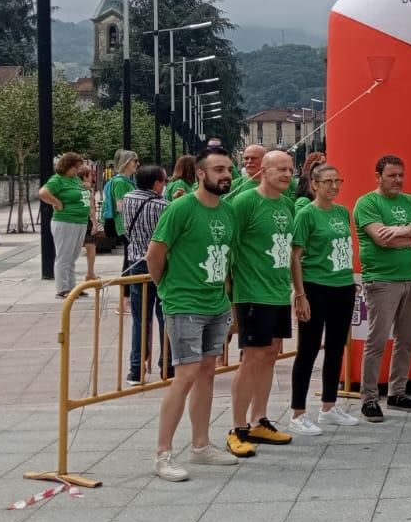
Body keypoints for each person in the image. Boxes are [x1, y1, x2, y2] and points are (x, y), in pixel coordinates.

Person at [147, 149, 242, 481]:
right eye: (218, 169)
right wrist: (168, 290)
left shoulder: (228, 211)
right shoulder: (181, 208)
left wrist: (229, 303)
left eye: (229, 168)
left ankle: (201, 446)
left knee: (207, 374)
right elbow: (155, 254)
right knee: (185, 375)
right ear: (200, 174)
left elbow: (227, 261)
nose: (226, 174)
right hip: (184, 304)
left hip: (216, 303)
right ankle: (163, 453)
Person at [223, 149, 298, 455]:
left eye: (290, 170)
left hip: (279, 292)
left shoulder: (287, 204)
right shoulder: (245, 202)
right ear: (262, 171)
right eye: (280, 169)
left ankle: (259, 419)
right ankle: (237, 427)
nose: (286, 174)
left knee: (269, 355)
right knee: (251, 358)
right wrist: (228, 297)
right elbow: (228, 245)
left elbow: (291, 250)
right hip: (251, 293)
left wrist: (298, 292)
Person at [353, 155, 411, 421]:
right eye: (392, 175)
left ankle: (397, 393)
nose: (398, 179)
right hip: (381, 280)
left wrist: (401, 230)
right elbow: (381, 239)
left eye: (401, 174)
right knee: (376, 341)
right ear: (378, 176)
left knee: (406, 340)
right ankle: (369, 398)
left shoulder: (410, 201)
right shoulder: (367, 203)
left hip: (410, 279)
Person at [287, 162, 360, 433]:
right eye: (327, 181)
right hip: (315, 286)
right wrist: (300, 294)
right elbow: (295, 256)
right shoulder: (306, 214)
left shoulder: (343, 212)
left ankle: (329, 406)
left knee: (336, 347)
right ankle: (297, 412)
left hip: (342, 286)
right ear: (314, 185)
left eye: (336, 181)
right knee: (307, 349)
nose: (333, 186)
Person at [122, 163, 170, 385]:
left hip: (135, 262)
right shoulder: (163, 206)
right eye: (164, 181)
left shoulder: (129, 199)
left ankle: (135, 368)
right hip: (161, 265)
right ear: (157, 183)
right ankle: (167, 365)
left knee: (140, 320)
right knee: (165, 316)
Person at [39, 151, 91, 297]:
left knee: (73, 256)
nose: (78, 170)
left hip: (79, 221)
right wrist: (57, 202)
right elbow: (43, 192)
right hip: (66, 221)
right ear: (67, 166)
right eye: (76, 167)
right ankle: (62, 288)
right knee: (64, 256)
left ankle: (72, 287)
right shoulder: (58, 180)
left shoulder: (74, 179)